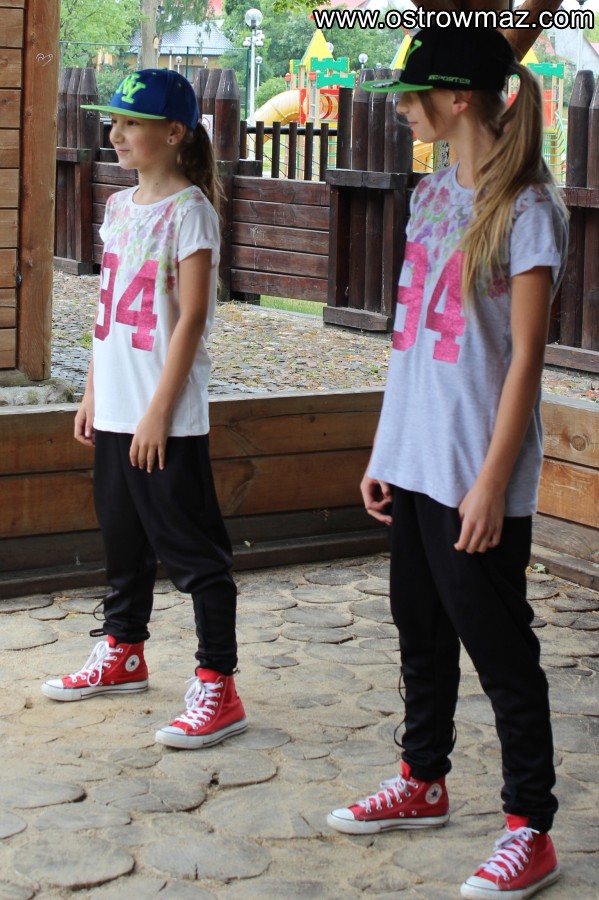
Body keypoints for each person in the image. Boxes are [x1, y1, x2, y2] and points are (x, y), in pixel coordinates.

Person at [326, 28, 568, 900]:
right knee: (419, 632)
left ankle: (528, 828)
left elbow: (525, 358)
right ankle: (421, 780)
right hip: (416, 460)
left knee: (500, 650)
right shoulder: (430, 194)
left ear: (457, 97)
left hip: (474, 473)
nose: (400, 109)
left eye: (411, 95)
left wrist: (492, 483)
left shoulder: (529, 209)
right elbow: (409, 340)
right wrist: (386, 449)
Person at [41, 69, 248, 751]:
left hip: (165, 421)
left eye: (132, 122)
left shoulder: (191, 212)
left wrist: (158, 412)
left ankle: (218, 684)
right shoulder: (119, 206)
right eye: (115, 121)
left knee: (195, 554)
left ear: (174, 133)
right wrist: (93, 392)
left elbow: (192, 320)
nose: (117, 133)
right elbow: (108, 310)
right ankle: (124, 651)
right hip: (115, 411)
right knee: (122, 541)